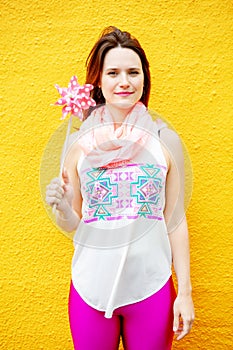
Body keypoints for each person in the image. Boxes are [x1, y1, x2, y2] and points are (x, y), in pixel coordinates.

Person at [46, 26, 195, 350]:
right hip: (90, 287)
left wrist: (184, 292)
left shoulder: (164, 139)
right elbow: (75, 224)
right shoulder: (78, 143)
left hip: (151, 288)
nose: (124, 81)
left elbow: (176, 220)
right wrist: (64, 205)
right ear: (99, 80)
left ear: (144, 78)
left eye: (133, 72)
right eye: (113, 72)